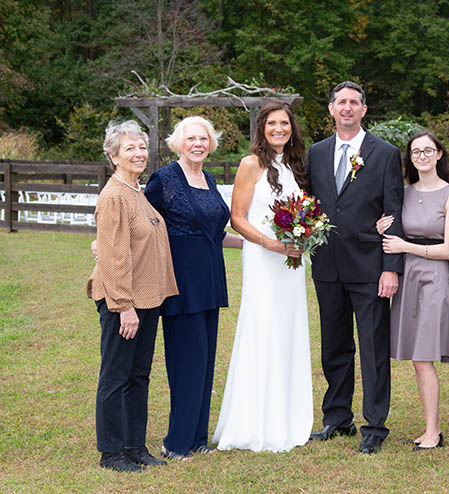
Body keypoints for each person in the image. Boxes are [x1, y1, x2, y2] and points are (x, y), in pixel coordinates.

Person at [306, 81, 404, 455]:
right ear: (331, 109)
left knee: (373, 347)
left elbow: (393, 210)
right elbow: (310, 204)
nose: (347, 108)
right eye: (341, 102)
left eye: (354, 103)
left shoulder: (384, 153)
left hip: (370, 267)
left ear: (364, 110)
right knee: (334, 344)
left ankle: (375, 424)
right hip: (327, 265)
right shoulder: (317, 153)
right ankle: (337, 416)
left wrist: (390, 267)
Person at [212, 100, 312, 452]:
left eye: (284, 123)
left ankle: (289, 415)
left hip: (292, 263)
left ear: (291, 127)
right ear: (261, 128)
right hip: (263, 258)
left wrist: (304, 237)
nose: (279, 129)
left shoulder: (296, 165)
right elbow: (237, 217)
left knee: (289, 328)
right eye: (272, 124)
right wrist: (269, 243)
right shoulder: (250, 164)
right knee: (263, 327)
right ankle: (255, 419)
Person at [143, 116, 243, 460]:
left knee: (204, 362)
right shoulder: (164, 179)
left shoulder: (210, 179)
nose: (198, 144)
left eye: (203, 138)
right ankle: (176, 443)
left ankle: (198, 439)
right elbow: (140, 221)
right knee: (187, 362)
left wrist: (258, 244)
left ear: (211, 143)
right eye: (191, 139)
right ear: (179, 143)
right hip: (180, 282)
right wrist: (104, 245)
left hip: (211, 281)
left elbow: (215, 231)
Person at [87, 120, 178, 472]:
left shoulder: (135, 191)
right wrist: (124, 307)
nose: (138, 153)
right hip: (121, 302)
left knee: (138, 376)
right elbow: (113, 257)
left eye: (141, 147)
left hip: (147, 300)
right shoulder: (113, 197)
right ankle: (111, 453)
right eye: (130, 149)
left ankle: (134, 446)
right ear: (113, 156)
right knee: (115, 377)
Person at [375, 131, 449, 450]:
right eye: (415, 152)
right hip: (408, 277)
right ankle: (430, 427)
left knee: (424, 357)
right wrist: (380, 228)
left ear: (439, 154)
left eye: (428, 150)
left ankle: (432, 432)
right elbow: (391, 228)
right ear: (409, 158)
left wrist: (405, 245)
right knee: (416, 359)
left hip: (436, 278)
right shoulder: (404, 193)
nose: (422, 156)